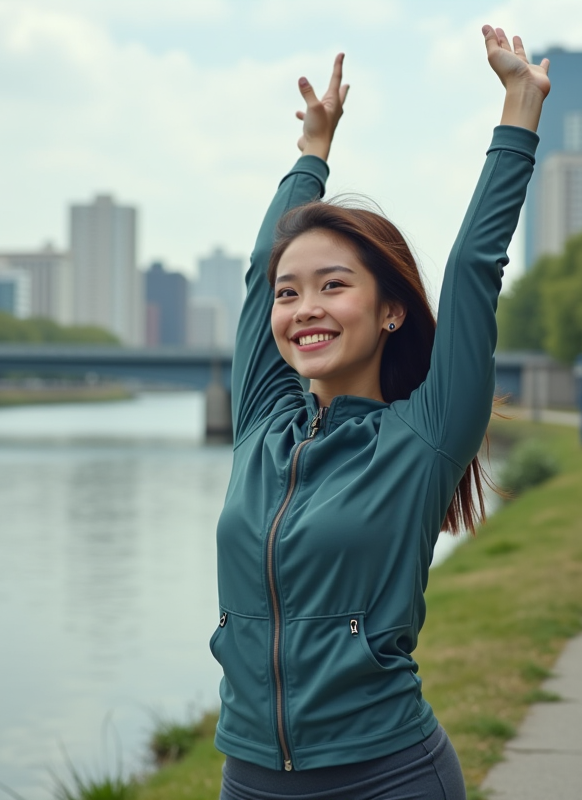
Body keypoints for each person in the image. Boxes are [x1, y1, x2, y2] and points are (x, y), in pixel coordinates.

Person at [211, 24, 550, 800]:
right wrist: (311, 154)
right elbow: (258, 281)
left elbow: (473, 271)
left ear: (390, 310)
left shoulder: (424, 438)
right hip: (250, 777)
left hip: (386, 776)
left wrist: (518, 109)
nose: (304, 308)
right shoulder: (263, 422)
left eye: (334, 285)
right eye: (292, 293)